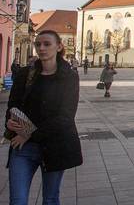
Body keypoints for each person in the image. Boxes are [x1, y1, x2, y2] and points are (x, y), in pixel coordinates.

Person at [4, 30, 83, 204]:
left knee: (50, 198)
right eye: (38, 44)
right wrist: (10, 121)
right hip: (24, 147)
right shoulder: (25, 74)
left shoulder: (69, 77)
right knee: (17, 200)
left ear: (59, 46)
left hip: (55, 146)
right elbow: (13, 104)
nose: (41, 48)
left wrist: (29, 133)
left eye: (47, 44)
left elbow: (66, 117)